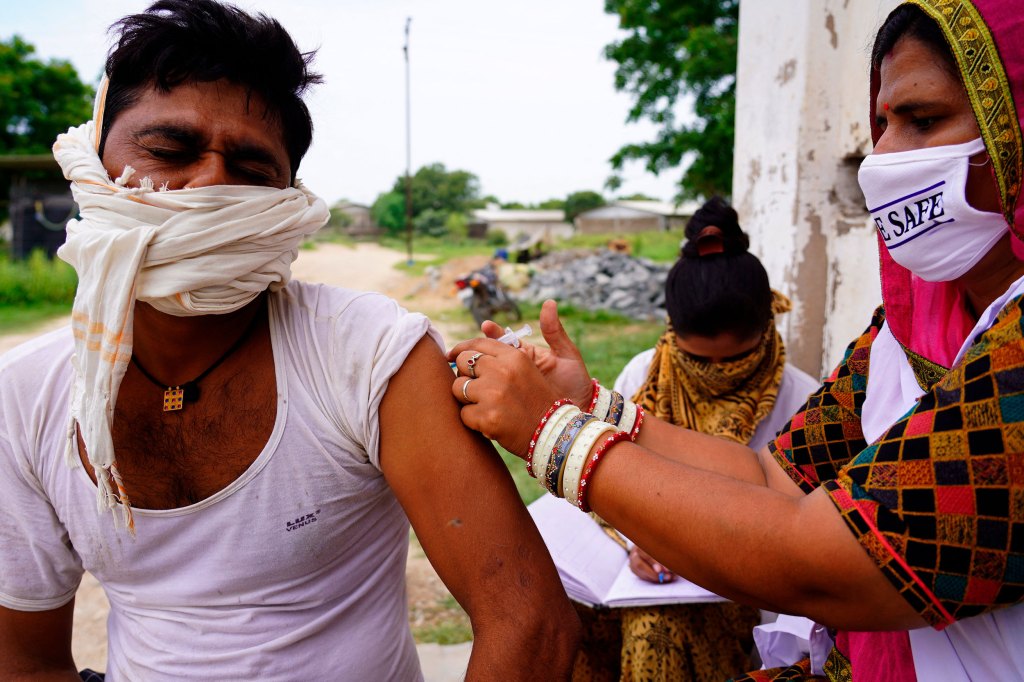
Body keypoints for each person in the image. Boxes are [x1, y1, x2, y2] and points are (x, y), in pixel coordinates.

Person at [0, 2, 579, 680]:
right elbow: (26, 661)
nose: (210, 185)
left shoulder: (369, 355)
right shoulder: (26, 396)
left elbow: (529, 621)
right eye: (168, 151)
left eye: (248, 167)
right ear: (93, 161)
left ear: (287, 196)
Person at [448, 1, 1024, 679]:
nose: (884, 158)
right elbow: (772, 478)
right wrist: (590, 406)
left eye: (923, 121)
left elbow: (814, 560)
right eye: (881, 124)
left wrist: (553, 434)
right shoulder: (907, 323)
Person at [569, 198, 818, 681]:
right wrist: (635, 538)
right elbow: (611, 469)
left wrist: (703, 546)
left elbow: (805, 531)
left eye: (737, 363)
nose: (717, 378)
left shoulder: (807, 402)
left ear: (768, 326)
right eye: (697, 362)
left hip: (746, 590)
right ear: (672, 334)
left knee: (654, 629)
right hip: (645, 574)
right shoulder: (643, 375)